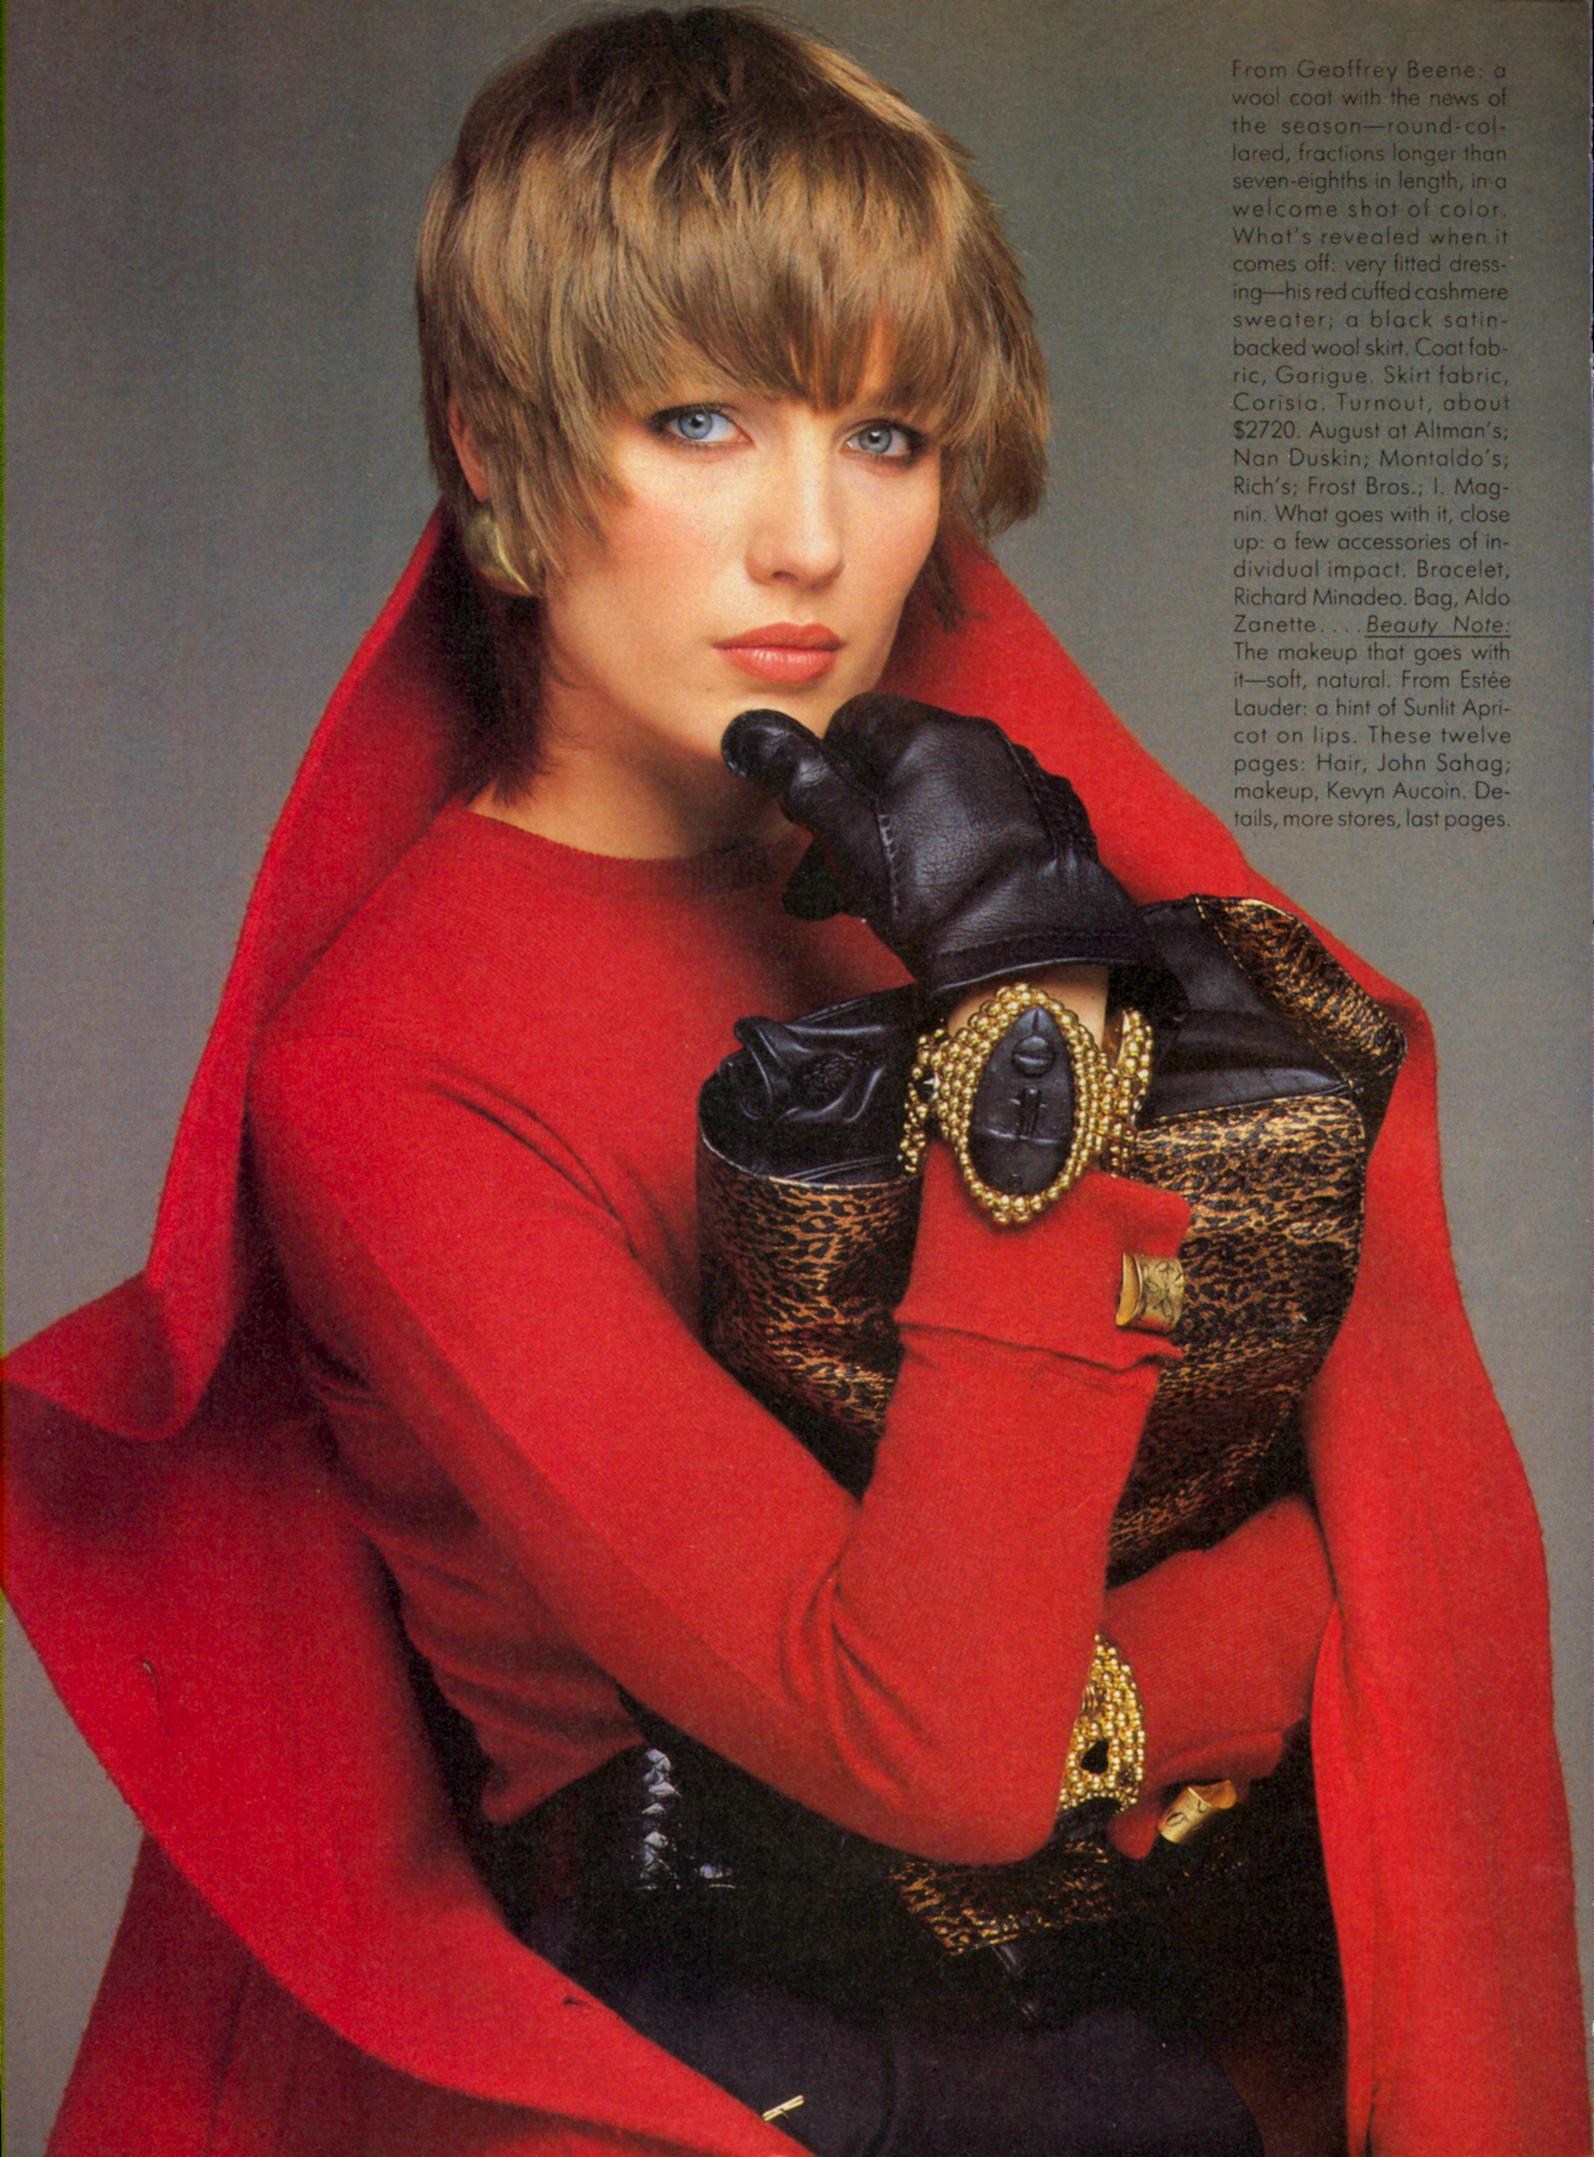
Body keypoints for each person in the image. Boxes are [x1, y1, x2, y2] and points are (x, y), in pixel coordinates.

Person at [5, 10, 1585, 2156]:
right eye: (700, 420)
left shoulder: (963, 875)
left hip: (1126, 2054)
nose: (810, 540)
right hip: (705, 2084)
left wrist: (1099, 1698)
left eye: (883, 432)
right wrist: (1032, 1049)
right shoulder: (390, 1070)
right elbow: (934, 1742)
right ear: (495, 453)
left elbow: (1373, 1550)